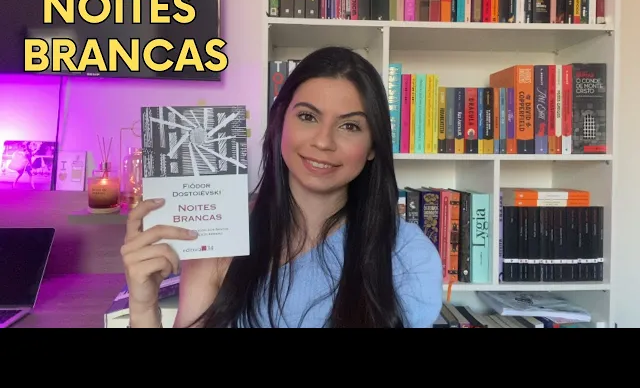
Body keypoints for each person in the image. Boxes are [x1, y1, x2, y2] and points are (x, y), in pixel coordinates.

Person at [121, 46, 443, 328]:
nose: (323, 141)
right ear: (280, 122)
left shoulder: (407, 255)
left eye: (349, 125)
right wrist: (144, 307)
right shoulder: (221, 235)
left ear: (373, 145)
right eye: (308, 117)